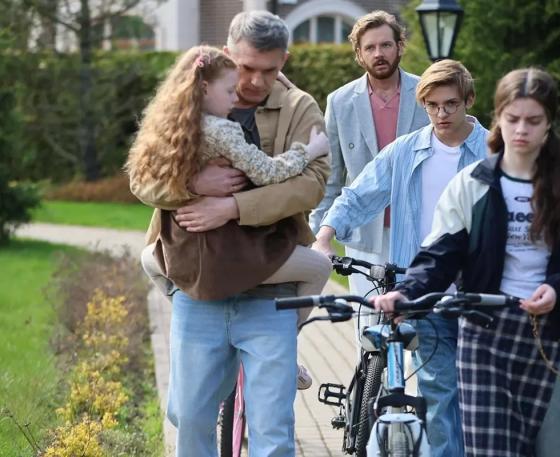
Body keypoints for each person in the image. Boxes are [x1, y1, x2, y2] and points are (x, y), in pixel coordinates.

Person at [372, 68, 560, 457]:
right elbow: (439, 255)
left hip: (552, 336)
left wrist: (559, 291)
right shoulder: (473, 183)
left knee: (552, 450)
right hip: (484, 337)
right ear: (499, 118)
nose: (521, 130)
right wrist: (408, 293)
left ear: (549, 123)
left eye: (533, 120)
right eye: (512, 118)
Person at [130, 11, 329, 457]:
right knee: (187, 417)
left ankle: (288, 346)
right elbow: (142, 179)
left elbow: (313, 183)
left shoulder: (300, 107)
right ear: (225, 55)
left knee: (273, 432)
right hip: (198, 286)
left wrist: (233, 207)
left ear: (285, 60)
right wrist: (191, 185)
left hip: (268, 289)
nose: (255, 81)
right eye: (246, 67)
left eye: (270, 70)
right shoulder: (185, 103)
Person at [313, 59, 486, 457]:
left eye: (451, 104)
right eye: (432, 105)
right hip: (422, 291)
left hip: (477, 294)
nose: (441, 114)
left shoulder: (493, 152)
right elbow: (359, 195)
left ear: (468, 100)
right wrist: (325, 236)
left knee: (478, 399)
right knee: (438, 394)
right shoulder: (406, 151)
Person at [309, 10, 429, 299]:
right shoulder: (339, 102)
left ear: (399, 46)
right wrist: (318, 233)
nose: (379, 53)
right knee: (368, 321)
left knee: (417, 320)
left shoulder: (426, 93)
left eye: (386, 45)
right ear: (359, 55)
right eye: (370, 47)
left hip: (419, 231)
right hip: (364, 235)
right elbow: (331, 175)